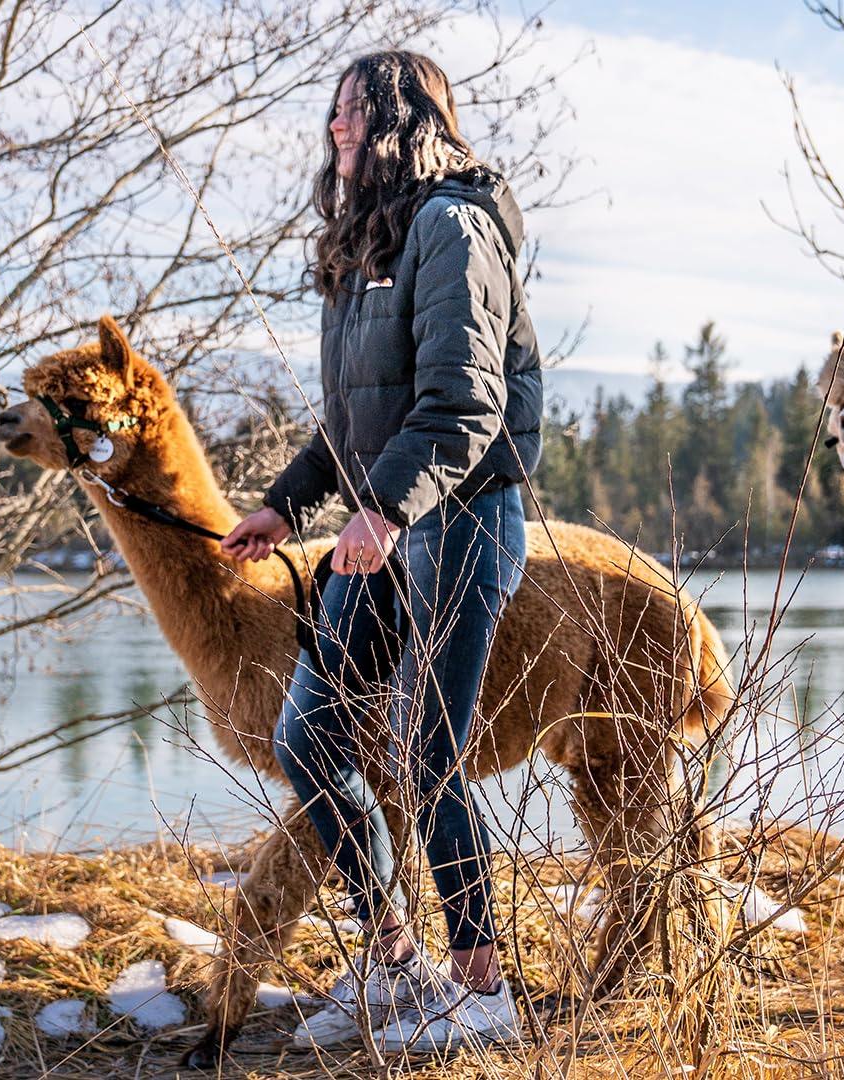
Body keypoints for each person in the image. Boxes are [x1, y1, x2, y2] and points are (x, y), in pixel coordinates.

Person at [219, 50, 541, 1051]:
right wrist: (289, 503)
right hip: (385, 525)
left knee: (430, 758)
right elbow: (356, 423)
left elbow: (464, 406)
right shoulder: (362, 252)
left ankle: (482, 985)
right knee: (305, 738)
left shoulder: (454, 228)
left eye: (356, 114)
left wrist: (388, 511)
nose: (337, 131)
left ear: (405, 121)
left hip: (464, 521)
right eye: (334, 115)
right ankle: (397, 963)